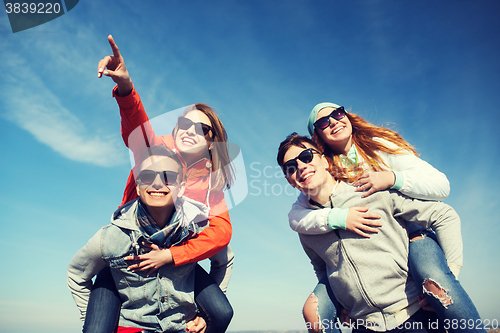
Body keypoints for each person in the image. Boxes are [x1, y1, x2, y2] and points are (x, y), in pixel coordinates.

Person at [83, 35, 235, 333]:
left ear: (211, 141)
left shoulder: (210, 185)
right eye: (184, 123)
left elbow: (222, 232)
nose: (189, 130)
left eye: (201, 128)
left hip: (178, 263)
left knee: (221, 312)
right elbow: (138, 129)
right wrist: (126, 87)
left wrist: (172, 255)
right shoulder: (156, 153)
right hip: (131, 255)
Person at [289, 103, 484, 333]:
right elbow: (296, 216)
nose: (333, 121)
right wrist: (340, 217)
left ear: (347, 116)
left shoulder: (379, 147)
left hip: (413, 234)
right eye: (323, 122)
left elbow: (442, 188)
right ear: (318, 137)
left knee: (437, 282)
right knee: (314, 311)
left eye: (337, 113)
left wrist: (392, 178)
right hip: (374, 248)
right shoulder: (323, 169)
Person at [68, 145, 210, 332]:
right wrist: (92, 318)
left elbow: (224, 259)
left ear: (181, 187)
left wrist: (205, 316)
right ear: (138, 185)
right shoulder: (111, 237)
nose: (157, 183)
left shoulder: (195, 229)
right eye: (148, 176)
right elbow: (76, 274)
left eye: (168, 177)